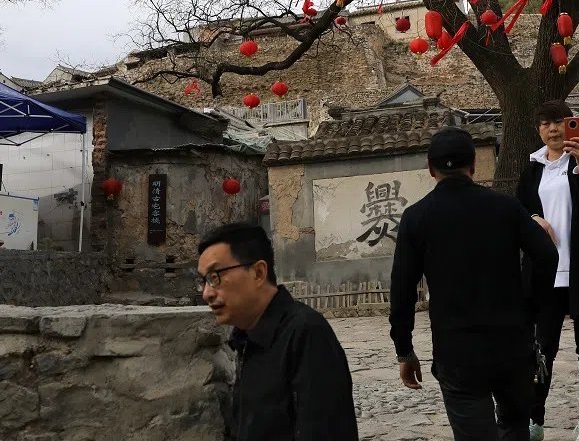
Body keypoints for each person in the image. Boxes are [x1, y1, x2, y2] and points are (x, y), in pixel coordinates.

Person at [390, 127, 559, 441]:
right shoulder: (506, 208)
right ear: (474, 165)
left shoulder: (416, 218)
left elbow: (401, 290)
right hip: (512, 343)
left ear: (430, 168)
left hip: (458, 353)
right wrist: (532, 306)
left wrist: (404, 350)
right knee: (514, 428)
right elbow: (547, 255)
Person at [196, 222, 359, 441]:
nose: (207, 293)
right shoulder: (245, 337)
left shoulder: (306, 334)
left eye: (215, 277)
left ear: (258, 272)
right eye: (204, 281)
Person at [515, 100, 579, 441]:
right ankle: (534, 418)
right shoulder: (532, 170)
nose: (554, 129)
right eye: (546, 124)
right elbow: (519, 212)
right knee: (542, 350)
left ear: (571, 123)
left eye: (559, 122)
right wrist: (533, 218)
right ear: (539, 129)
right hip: (546, 276)